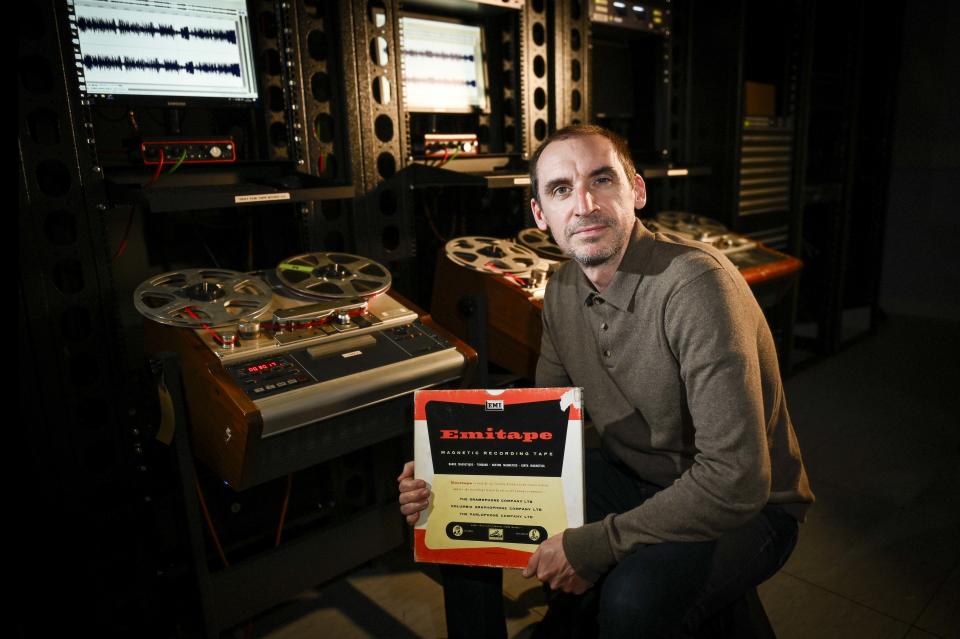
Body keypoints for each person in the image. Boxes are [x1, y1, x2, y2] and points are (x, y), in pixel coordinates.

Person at [398, 124, 814, 638]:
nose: (584, 205)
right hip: (637, 476)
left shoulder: (696, 287)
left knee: (632, 600)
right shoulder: (561, 290)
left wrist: (596, 545)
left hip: (752, 507)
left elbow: (737, 479)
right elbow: (541, 429)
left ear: (635, 190)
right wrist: (450, 469)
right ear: (539, 214)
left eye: (601, 180)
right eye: (560, 190)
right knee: (449, 508)